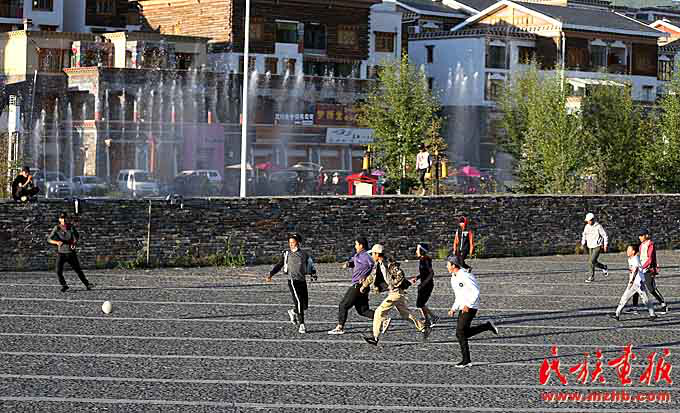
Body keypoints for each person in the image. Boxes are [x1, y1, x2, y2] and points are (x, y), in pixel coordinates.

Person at [361, 244, 431, 346]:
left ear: (377, 254)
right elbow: (372, 276)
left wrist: (393, 285)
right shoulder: (379, 264)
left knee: (379, 312)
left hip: (396, 293)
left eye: (373, 254)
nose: (372, 256)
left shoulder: (389, 263)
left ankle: (375, 337)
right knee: (405, 314)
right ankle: (424, 328)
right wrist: (364, 286)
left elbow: (400, 275)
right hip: (397, 293)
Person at [446, 255, 498, 368]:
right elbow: (459, 295)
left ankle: (466, 360)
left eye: (448, 264)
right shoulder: (453, 277)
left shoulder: (465, 275)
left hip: (471, 306)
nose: (447, 267)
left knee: (460, 332)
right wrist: (453, 308)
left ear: (453, 265)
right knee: (461, 333)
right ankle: (487, 326)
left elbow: (476, 291)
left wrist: (468, 305)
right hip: (463, 306)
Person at [265, 233, 317, 334]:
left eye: (293, 242)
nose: (291, 244)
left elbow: (310, 265)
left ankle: (293, 312)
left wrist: (313, 274)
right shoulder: (286, 254)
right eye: (290, 242)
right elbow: (279, 264)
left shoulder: (304, 254)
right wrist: (271, 274)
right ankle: (302, 324)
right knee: (298, 302)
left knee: (304, 305)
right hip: (292, 280)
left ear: (298, 242)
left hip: (302, 280)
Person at [328, 237, 375, 335]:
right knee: (363, 310)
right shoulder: (357, 255)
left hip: (359, 285)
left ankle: (340, 327)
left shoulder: (366, 256)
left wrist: (366, 276)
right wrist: (348, 264)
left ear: (361, 245)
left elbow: (373, 266)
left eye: (356, 244)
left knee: (343, 305)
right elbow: (354, 262)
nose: (355, 246)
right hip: (360, 286)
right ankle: (383, 319)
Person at [47, 212, 93, 293]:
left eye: (65, 218)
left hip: (71, 253)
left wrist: (74, 244)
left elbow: (76, 237)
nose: (63, 220)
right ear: (59, 219)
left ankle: (87, 284)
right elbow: (49, 239)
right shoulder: (57, 228)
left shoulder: (71, 227)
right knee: (58, 271)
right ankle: (64, 286)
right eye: (62, 218)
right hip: (61, 253)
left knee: (78, 270)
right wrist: (56, 242)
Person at [609, 244, 656, 321]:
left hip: (637, 283)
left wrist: (631, 281)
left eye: (629, 250)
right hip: (635, 283)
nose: (627, 251)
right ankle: (617, 314)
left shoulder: (635, 259)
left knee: (642, 299)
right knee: (628, 298)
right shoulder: (630, 259)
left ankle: (617, 314)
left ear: (633, 251)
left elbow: (636, 270)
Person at [630, 229, 669, 314]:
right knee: (636, 286)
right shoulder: (641, 245)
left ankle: (663, 305)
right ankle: (634, 307)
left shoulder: (650, 244)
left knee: (651, 289)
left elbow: (650, 259)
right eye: (639, 235)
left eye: (641, 235)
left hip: (649, 269)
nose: (640, 237)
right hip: (641, 269)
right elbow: (641, 257)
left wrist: (642, 267)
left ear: (646, 235)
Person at [410, 243, 440, 327]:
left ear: (422, 251)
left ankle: (429, 319)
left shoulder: (426, 260)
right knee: (420, 303)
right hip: (424, 285)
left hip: (427, 285)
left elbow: (431, 273)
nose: (416, 251)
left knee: (420, 303)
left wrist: (423, 284)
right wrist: (417, 277)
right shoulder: (422, 259)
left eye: (417, 250)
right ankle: (431, 318)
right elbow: (424, 272)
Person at [581, 212, 608, 283]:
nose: (588, 222)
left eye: (589, 220)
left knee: (591, 261)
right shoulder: (587, 227)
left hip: (597, 246)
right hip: (590, 246)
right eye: (587, 221)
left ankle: (592, 276)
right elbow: (584, 235)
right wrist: (583, 243)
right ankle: (603, 267)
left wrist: (605, 244)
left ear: (592, 219)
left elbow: (604, 235)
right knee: (592, 261)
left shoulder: (598, 226)